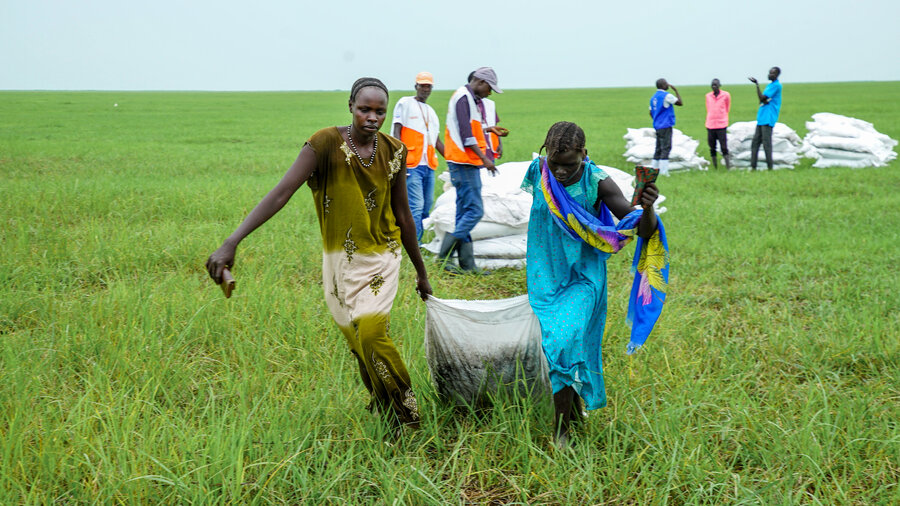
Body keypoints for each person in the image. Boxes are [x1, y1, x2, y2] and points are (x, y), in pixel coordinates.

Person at [205, 77, 432, 433]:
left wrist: (421, 272)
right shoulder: (324, 144)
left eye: (380, 111)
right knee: (358, 343)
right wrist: (233, 241)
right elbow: (282, 192)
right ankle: (384, 406)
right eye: (364, 109)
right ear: (350, 107)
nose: (372, 118)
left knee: (372, 333)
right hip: (339, 260)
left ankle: (406, 416)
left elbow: (403, 214)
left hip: (382, 255)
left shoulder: (395, 150)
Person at [521, 122, 668, 448]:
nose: (559, 171)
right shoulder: (538, 172)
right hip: (545, 276)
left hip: (583, 279)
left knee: (562, 341)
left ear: (584, 155)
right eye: (555, 162)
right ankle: (572, 409)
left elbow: (639, 229)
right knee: (561, 345)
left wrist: (648, 207)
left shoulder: (597, 181)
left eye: (569, 164)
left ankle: (562, 431)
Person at [437, 67, 502, 273]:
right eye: (489, 88)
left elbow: (468, 128)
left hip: (466, 162)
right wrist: (485, 159)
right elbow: (466, 135)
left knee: (464, 212)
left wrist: (488, 129)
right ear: (480, 82)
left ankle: (467, 264)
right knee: (475, 211)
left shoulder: (470, 99)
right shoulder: (463, 98)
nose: (489, 93)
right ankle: (442, 258)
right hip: (463, 162)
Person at [392, 71, 445, 243]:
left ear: (431, 88)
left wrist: (453, 160)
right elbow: (396, 131)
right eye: (422, 85)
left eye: (428, 86)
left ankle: (416, 240)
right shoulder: (405, 103)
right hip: (411, 165)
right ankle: (414, 244)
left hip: (428, 165)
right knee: (416, 205)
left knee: (426, 206)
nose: (425, 88)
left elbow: (436, 140)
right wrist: (399, 160)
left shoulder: (431, 111)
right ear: (416, 86)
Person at [748, 67, 783, 170]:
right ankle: (753, 167)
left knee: (766, 144)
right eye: (769, 73)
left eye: (772, 73)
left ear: (777, 75)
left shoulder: (776, 86)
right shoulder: (770, 85)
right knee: (755, 143)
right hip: (762, 117)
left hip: (768, 117)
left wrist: (757, 85)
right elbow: (763, 99)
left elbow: (762, 98)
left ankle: (770, 167)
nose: (769, 75)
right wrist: (763, 99)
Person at [649, 78, 683, 176]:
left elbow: (651, 112)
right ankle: (664, 172)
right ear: (663, 85)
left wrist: (657, 119)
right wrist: (676, 90)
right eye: (666, 83)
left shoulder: (653, 97)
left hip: (657, 125)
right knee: (666, 147)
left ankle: (654, 170)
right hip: (666, 125)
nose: (668, 85)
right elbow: (680, 103)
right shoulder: (667, 96)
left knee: (658, 148)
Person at [705, 78, 731, 169]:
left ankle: (728, 166)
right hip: (710, 124)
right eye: (712, 85)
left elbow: (727, 107)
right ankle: (715, 166)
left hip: (721, 124)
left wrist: (722, 116)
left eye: (715, 85)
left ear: (719, 85)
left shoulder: (725, 95)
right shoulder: (708, 96)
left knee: (724, 147)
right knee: (712, 147)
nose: (714, 87)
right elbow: (708, 108)